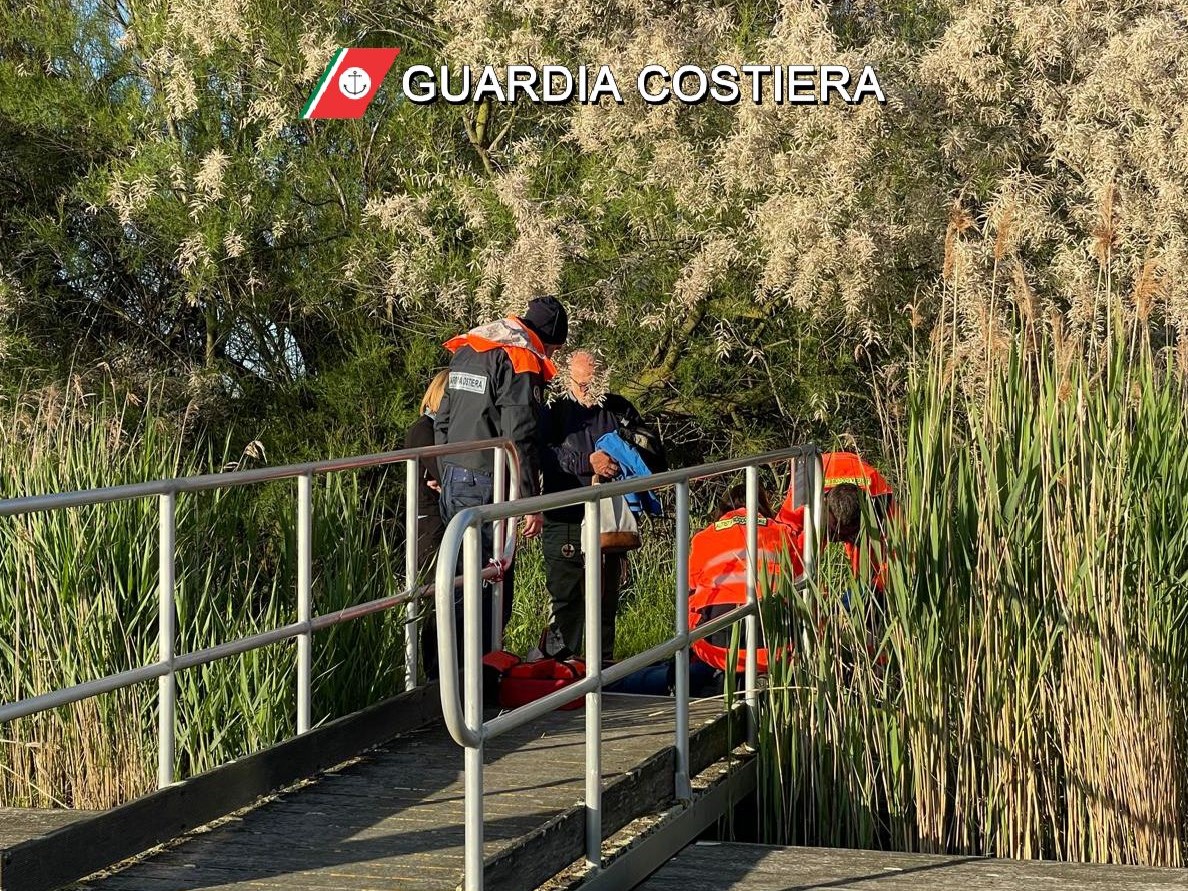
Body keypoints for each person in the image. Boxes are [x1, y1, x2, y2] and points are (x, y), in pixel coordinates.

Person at [432, 295, 568, 675]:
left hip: (455, 477)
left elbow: (443, 420)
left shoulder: (471, 348)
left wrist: (446, 470)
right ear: (550, 338)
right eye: (556, 348)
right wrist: (530, 502)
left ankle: (445, 674)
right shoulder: (520, 358)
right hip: (489, 481)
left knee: (459, 578)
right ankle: (478, 676)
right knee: (491, 581)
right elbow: (519, 437)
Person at [538, 350, 646, 663]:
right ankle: (562, 666)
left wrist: (622, 459)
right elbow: (543, 453)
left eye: (596, 381)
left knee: (606, 596)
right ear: (566, 376)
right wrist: (587, 462)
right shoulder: (553, 410)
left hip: (609, 516)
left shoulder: (619, 408)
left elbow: (645, 446)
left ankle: (603, 664)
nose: (590, 389)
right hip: (567, 511)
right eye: (584, 383)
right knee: (567, 595)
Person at [687, 483, 802, 673]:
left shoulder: (703, 538)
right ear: (763, 505)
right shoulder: (783, 533)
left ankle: (683, 676)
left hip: (714, 647)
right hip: (775, 644)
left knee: (691, 604)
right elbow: (800, 583)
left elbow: (689, 588)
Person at [776, 451, 894, 592]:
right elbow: (782, 536)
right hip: (819, 473)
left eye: (844, 535)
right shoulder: (804, 492)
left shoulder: (880, 495)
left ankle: (863, 591)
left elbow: (899, 549)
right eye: (834, 533)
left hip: (861, 494)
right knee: (801, 546)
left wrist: (877, 585)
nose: (838, 540)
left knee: (870, 551)